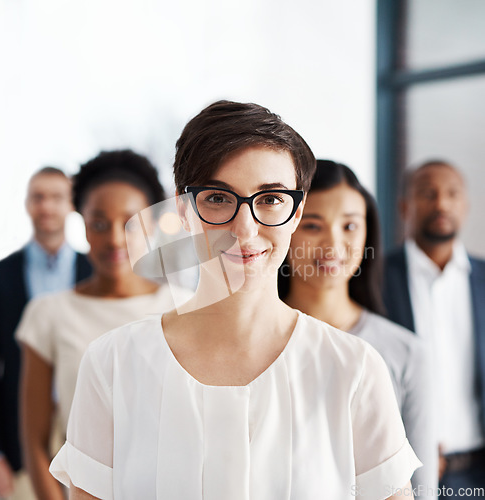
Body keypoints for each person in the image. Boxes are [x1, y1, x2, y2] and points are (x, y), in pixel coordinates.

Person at [50, 101, 420, 500]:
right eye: (218, 198)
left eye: (271, 199)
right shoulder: (113, 363)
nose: (245, 229)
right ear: (183, 209)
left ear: (297, 212)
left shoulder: (354, 370)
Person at [16, 150, 192, 500]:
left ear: (152, 225)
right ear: (81, 224)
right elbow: (35, 440)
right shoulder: (48, 314)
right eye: (99, 223)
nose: (114, 239)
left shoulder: (186, 306)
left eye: (129, 223)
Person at [280, 160, 438, 499]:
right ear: (284, 229)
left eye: (350, 226)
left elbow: (422, 489)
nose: (333, 245)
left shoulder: (406, 353)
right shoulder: (250, 340)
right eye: (312, 226)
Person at [0, 167, 91, 499]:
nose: (46, 206)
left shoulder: (97, 273)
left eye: (56, 197)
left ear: (71, 205)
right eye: (38, 197)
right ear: (28, 205)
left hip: (89, 434)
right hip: (18, 439)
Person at [383, 160, 485, 498]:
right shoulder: (376, 278)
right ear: (404, 207)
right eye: (428, 193)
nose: (441, 203)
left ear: (465, 205)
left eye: (452, 193)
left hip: (477, 468)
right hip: (405, 471)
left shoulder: (483, 279)